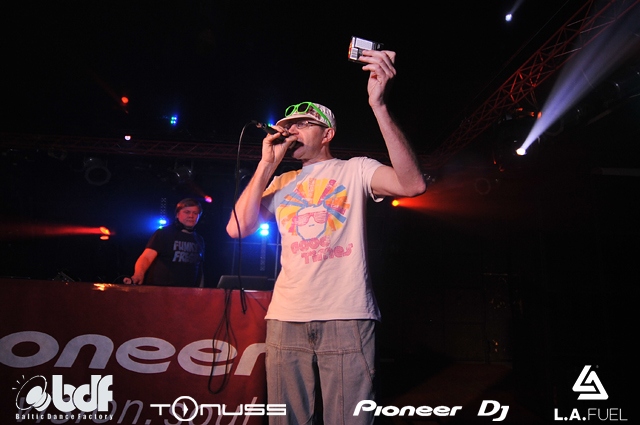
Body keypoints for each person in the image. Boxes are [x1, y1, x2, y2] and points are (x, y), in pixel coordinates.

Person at [226, 49, 426, 424]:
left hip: (347, 315)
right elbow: (237, 228)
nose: (292, 131)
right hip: (286, 317)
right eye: (289, 126)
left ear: (327, 133)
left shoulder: (356, 169)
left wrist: (379, 106)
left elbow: (413, 185)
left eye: (304, 124)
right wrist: (266, 166)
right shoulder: (281, 182)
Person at [127, 198, 205, 287]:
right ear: (177, 214)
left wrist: (201, 290)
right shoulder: (164, 233)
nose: (191, 216)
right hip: (160, 290)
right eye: (187, 212)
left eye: (195, 213)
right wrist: (138, 274)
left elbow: (199, 269)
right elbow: (146, 257)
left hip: (187, 292)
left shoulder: (199, 239)